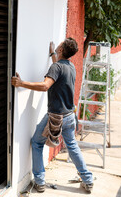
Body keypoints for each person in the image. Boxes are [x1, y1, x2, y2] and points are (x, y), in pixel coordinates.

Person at [11, 38, 93, 193]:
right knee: (72, 146)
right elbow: (57, 68)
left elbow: (44, 86)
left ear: (61, 50)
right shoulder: (71, 67)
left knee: (36, 142)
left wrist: (21, 83)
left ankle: (40, 181)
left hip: (56, 117)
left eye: (60, 46)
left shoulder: (56, 67)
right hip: (69, 116)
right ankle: (88, 179)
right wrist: (52, 53)